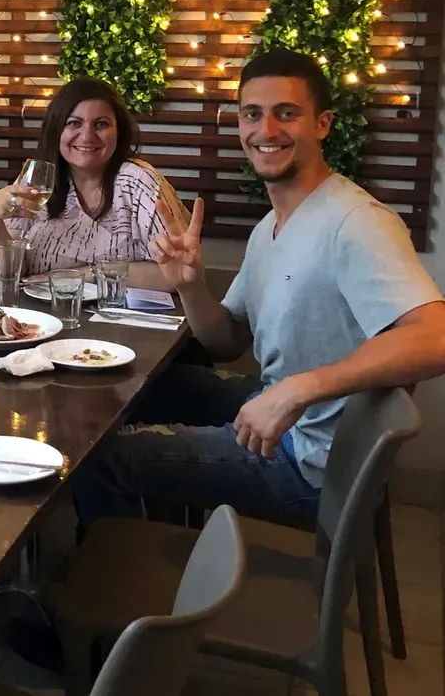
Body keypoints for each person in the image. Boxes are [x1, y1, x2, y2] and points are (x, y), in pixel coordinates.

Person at [73, 49, 445, 526]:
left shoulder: (356, 222)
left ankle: (115, 583)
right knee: (140, 387)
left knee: (93, 459)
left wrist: (297, 390)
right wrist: (190, 286)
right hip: (279, 412)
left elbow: (434, 336)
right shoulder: (271, 225)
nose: (267, 130)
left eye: (286, 113)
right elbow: (226, 342)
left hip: (312, 465)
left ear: (322, 124)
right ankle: (166, 534)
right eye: (253, 114)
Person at [0, 77, 187, 288]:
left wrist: (84, 275)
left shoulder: (137, 181)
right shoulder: (38, 182)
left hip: (119, 317)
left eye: (101, 124)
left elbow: (175, 274)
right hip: (41, 315)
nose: (87, 136)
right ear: (56, 130)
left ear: (120, 131)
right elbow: (6, 272)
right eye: (74, 123)